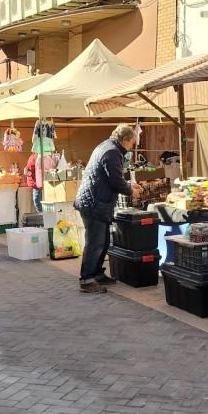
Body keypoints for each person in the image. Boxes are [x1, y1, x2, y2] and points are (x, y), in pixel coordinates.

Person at [73, 124, 143, 294]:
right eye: (132, 143)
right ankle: (87, 279)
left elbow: (112, 177)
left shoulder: (106, 146)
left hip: (96, 201)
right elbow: (115, 181)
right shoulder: (112, 152)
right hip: (95, 203)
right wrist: (130, 190)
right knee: (95, 243)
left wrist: (128, 185)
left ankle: (96, 274)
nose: (132, 147)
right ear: (125, 140)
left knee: (102, 241)